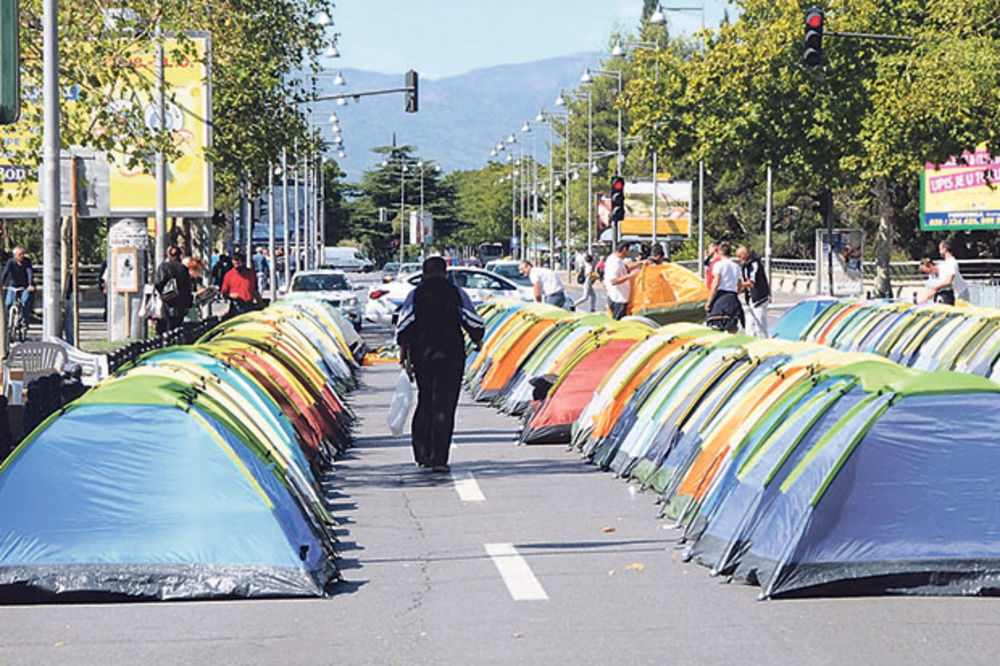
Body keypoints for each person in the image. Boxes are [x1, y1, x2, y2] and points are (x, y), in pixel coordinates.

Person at [396, 256, 485, 473]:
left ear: (424, 273)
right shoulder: (456, 293)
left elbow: (404, 326)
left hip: (422, 357)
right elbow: (472, 321)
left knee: (425, 401)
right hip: (451, 357)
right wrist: (477, 339)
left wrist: (403, 354)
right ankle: (439, 459)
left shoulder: (415, 295)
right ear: (445, 273)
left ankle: (422, 454)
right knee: (444, 406)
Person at [154, 245, 194, 334]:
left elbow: (158, 283)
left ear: (169, 255)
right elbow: (188, 287)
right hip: (181, 304)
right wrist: (188, 304)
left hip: (167, 303)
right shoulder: (183, 269)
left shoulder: (164, 267)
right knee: (177, 328)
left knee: (164, 329)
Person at [705, 242, 744, 333]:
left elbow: (716, 284)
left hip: (721, 298)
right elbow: (740, 285)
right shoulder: (736, 266)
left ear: (719, 252)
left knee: (715, 326)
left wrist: (709, 302)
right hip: (733, 298)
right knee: (732, 327)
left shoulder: (719, 265)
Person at [604, 241, 644, 320]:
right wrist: (631, 275)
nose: (629, 252)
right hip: (618, 299)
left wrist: (641, 262)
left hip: (621, 298)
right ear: (624, 249)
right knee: (618, 324)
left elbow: (627, 267)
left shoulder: (617, 259)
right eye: (629, 250)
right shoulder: (615, 262)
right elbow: (613, 281)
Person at [737, 245, 771, 337]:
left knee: (760, 323)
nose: (739, 259)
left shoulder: (754, 264)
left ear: (745, 254)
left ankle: (763, 341)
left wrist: (739, 285)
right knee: (749, 324)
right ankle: (750, 343)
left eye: (740, 256)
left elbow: (751, 283)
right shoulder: (744, 266)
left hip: (759, 297)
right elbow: (745, 284)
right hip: (750, 299)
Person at [926, 240, 969, 305]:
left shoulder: (951, 262)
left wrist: (936, 287)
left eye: (940, 249)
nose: (939, 251)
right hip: (955, 293)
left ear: (945, 249)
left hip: (960, 293)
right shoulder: (946, 263)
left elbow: (949, 281)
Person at [221, 250, 262, 316]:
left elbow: (255, 290)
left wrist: (260, 303)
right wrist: (230, 295)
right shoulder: (229, 274)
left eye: (238, 264)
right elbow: (224, 292)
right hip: (236, 305)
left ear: (243, 262)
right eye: (234, 264)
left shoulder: (250, 273)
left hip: (249, 304)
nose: (236, 266)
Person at [2, 247, 36, 325]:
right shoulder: (11, 262)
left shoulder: (27, 262)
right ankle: (7, 322)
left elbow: (29, 273)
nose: (22, 256)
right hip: (13, 286)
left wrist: (30, 284)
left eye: (23, 254)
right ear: (15, 256)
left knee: (25, 302)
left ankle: (25, 322)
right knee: (8, 303)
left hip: (25, 286)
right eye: (20, 254)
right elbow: (5, 273)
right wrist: (2, 284)